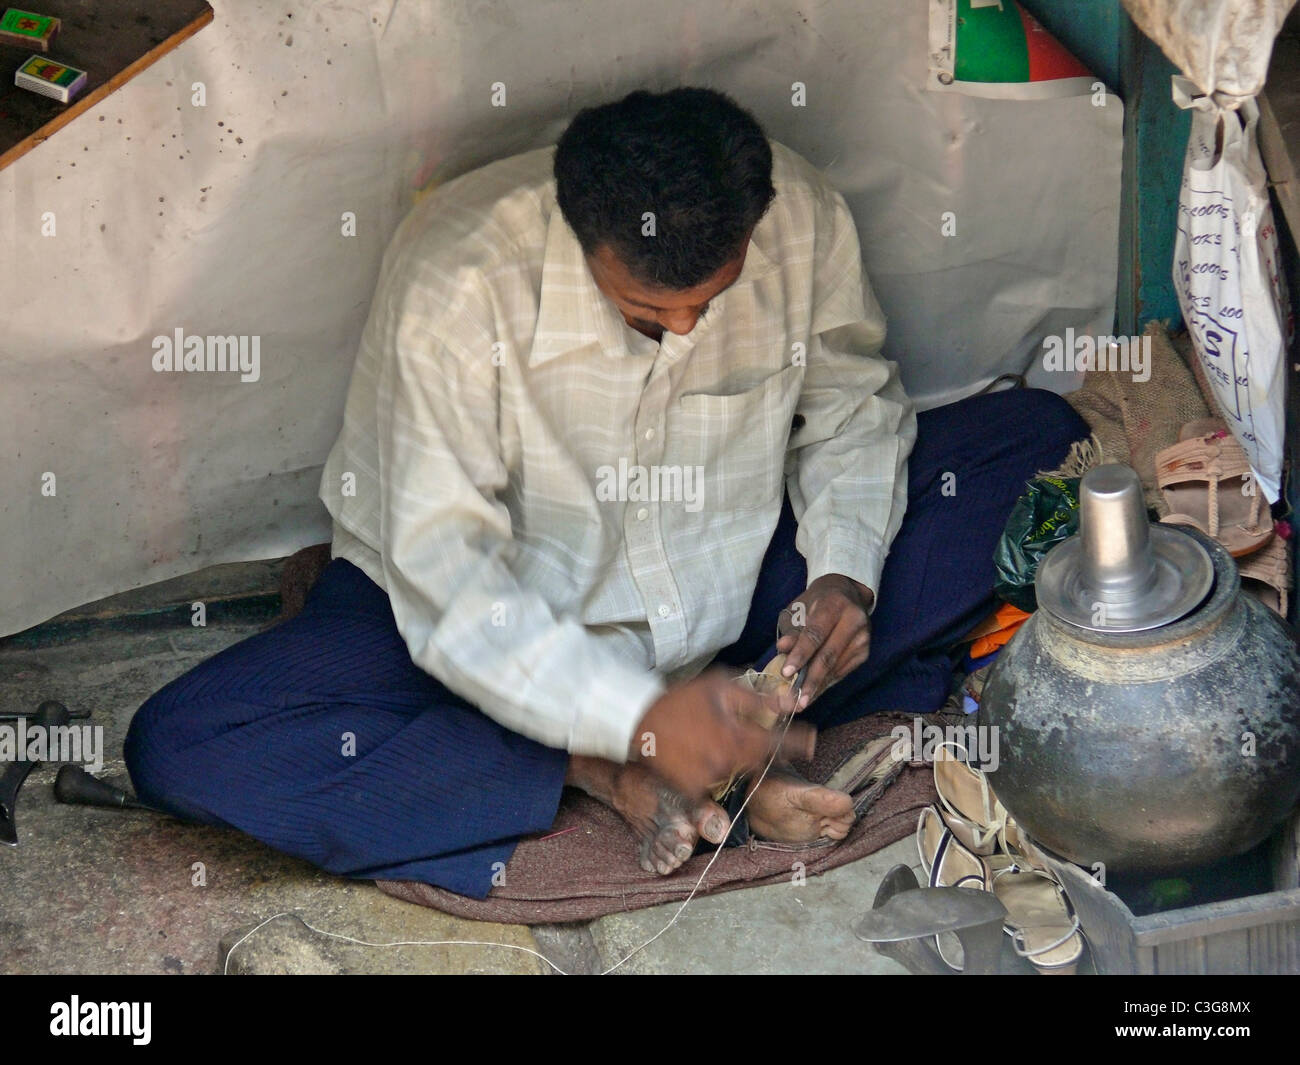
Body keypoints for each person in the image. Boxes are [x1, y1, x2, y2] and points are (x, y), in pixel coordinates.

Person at [125, 87, 1088, 897]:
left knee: (1037, 446)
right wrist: (630, 725)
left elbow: (851, 404)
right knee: (188, 743)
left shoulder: (798, 213)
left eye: (709, 304)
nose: (684, 327)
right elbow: (451, 587)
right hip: (466, 626)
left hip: (729, 599)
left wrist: (843, 578)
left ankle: (730, 726)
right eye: (646, 312)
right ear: (581, 233)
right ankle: (600, 770)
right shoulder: (458, 279)